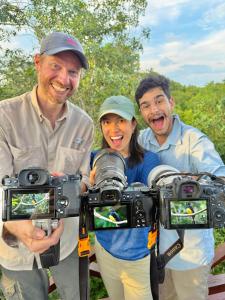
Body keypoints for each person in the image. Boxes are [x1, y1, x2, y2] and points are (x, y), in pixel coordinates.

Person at [0, 31, 94, 300]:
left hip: (67, 243)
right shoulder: (4, 116)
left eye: (73, 72)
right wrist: (15, 223)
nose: (64, 79)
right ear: (37, 62)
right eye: (56, 66)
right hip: (14, 246)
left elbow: (85, 178)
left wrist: (80, 186)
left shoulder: (84, 124)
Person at [135, 73, 225, 300]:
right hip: (157, 252)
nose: (153, 109)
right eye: (145, 105)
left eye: (158, 100)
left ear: (171, 102)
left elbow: (220, 181)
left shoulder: (194, 141)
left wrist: (190, 183)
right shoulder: (142, 140)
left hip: (191, 255)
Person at [90, 95, 160, 300]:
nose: (114, 129)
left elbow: (157, 182)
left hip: (138, 255)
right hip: (105, 250)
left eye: (120, 120)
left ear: (133, 123)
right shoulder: (94, 158)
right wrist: (90, 184)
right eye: (107, 122)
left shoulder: (148, 160)